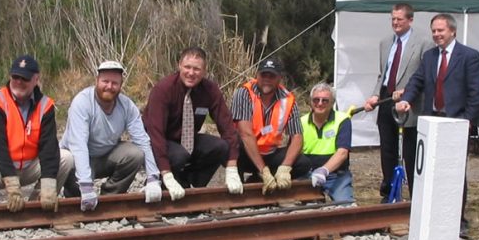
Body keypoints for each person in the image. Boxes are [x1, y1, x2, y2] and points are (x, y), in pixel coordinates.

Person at [395, 13, 479, 238]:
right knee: (429, 170)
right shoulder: (429, 57)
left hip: (456, 122)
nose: (436, 35)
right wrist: (406, 99)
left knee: (454, 172)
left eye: (441, 31)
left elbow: (476, 93)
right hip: (431, 120)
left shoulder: (469, 56)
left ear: (452, 31)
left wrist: (466, 120)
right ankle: (429, 215)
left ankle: (457, 220)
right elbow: (417, 81)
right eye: (434, 31)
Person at [0, 54, 70, 212]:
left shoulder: (45, 105)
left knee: (66, 158)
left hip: (28, 165)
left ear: (36, 79)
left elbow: (48, 147)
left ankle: (38, 206)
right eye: (15, 77)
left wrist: (49, 186)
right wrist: (12, 186)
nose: (18, 82)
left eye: (25, 78)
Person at [60, 60, 162, 211]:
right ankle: (75, 197)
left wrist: (153, 177)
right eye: (105, 81)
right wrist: (87, 186)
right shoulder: (82, 102)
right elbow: (78, 145)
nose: (109, 86)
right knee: (71, 162)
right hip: (78, 158)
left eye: (115, 83)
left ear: (121, 85)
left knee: (135, 154)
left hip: (106, 155)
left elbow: (142, 140)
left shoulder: (127, 106)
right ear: (97, 81)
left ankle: (109, 198)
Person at [143, 46, 243, 200]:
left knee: (221, 147)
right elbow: (155, 133)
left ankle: (189, 182)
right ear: (179, 66)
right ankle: (163, 181)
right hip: (159, 141)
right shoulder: (163, 89)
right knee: (179, 155)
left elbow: (227, 126)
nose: (191, 73)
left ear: (204, 71)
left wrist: (231, 167)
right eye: (187, 67)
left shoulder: (210, 90)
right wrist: (165, 173)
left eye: (196, 69)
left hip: (187, 139)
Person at [363, 3, 435, 199]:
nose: (395, 23)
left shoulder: (424, 43)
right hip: (386, 100)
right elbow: (383, 75)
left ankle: (414, 197)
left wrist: (407, 91)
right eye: (393, 19)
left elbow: (427, 77)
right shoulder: (385, 42)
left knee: (409, 153)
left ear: (410, 20)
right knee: (388, 150)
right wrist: (375, 95)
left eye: (399, 19)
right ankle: (389, 192)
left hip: (409, 104)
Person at [230, 58, 311, 195]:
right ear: (257, 75)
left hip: (270, 153)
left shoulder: (288, 99)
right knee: (230, 146)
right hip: (246, 152)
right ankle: (240, 191)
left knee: (303, 162)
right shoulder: (244, 93)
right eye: (263, 75)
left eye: (272, 76)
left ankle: (260, 181)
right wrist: (264, 171)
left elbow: (297, 137)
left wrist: (285, 167)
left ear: (279, 78)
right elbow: (245, 134)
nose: (267, 79)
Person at [302, 83, 354, 203]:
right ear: (310, 102)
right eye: (316, 100)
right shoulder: (301, 122)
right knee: (307, 212)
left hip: (337, 175)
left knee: (345, 208)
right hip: (308, 176)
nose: (320, 103)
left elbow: (342, 153)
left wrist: (324, 170)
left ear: (332, 103)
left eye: (325, 100)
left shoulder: (343, 120)